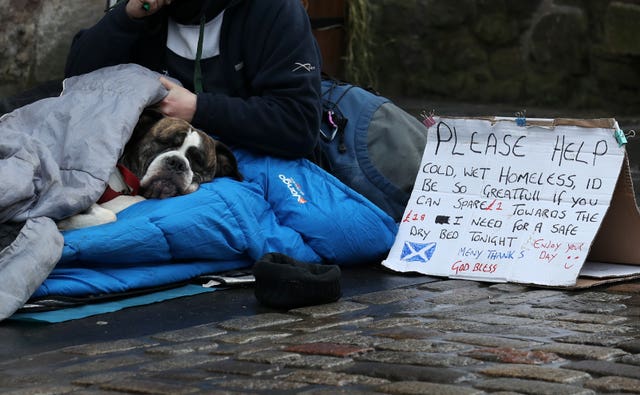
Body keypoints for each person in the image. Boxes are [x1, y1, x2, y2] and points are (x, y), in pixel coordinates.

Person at [65, 0, 323, 160]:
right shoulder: (147, 11)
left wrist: (198, 108)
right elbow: (75, 85)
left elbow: (298, 124)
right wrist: (126, 18)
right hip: (153, 166)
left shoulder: (273, 10)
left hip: (245, 167)